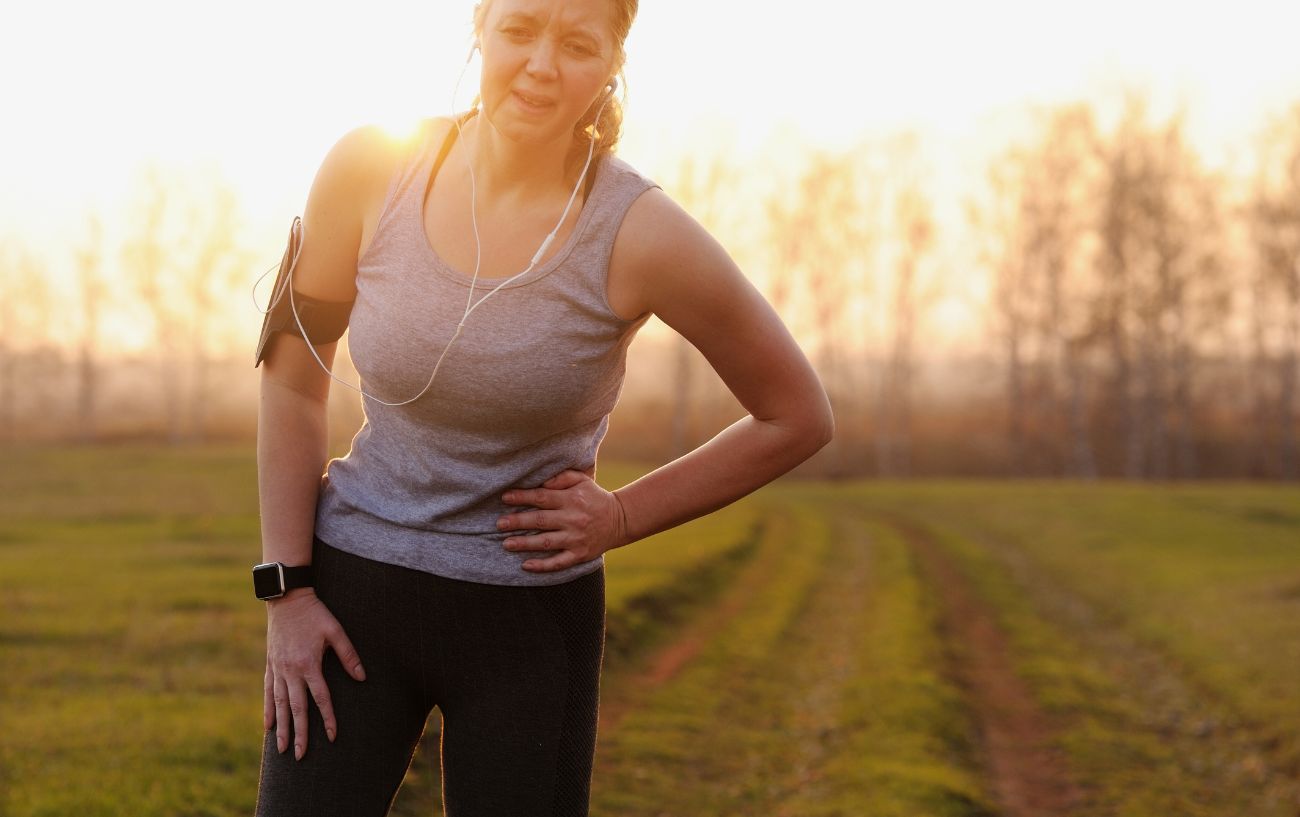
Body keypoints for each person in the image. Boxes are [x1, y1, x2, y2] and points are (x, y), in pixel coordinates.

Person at [251, 0, 833, 814]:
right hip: (350, 608)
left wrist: (622, 516)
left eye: (577, 44)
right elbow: (290, 376)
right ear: (480, 30)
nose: (541, 65)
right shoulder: (367, 168)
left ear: (612, 65)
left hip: (528, 626)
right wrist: (289, 592)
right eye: (520, 29)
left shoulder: (638, 231)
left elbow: (797, 413)